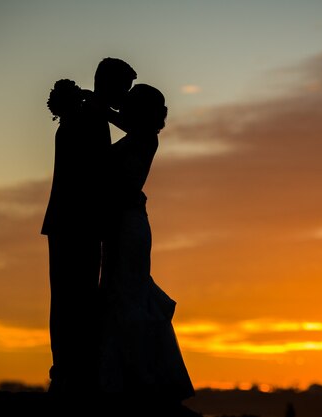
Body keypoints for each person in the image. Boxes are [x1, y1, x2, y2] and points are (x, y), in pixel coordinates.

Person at [98, 84, 196, 415]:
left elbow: (120, 177)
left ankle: (143, 379)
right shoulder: (143, 134)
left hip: (128, 227)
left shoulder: (144, 138)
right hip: (127, 225)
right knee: (126, 296)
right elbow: (122, 122)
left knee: (129, 298)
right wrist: (97, 104)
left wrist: (98, 106)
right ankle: (136, 377)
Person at [41, 58, 137, 395]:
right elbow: (95, 172)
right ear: (108, 85)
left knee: (73, 299)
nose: (124, 97)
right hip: (77, 224)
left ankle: (69, 372)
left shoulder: (87, 114)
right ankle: (68, 375)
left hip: (69, 222)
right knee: (74, 299)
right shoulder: (88, 118)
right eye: (122, 89)